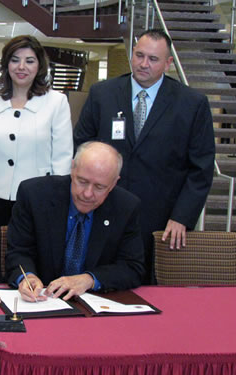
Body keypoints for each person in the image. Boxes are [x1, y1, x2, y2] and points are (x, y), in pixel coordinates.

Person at [73, 29, 215, 284]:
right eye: (139, 55)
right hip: (105, 205)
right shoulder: (103, 93)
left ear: (168, 63)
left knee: (149, 285)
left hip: (160, 217)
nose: (143, 64)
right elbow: (82, 143)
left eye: (153, 59)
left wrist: (183, 216)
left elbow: (201, 168)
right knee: (100, 280)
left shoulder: (192, 104)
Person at [0, 35, 73, 283]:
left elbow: (63, 157)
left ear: (39, 66)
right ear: (6, 64)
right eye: (15, 60)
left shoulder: (56, 102)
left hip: (40, 201)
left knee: (37, 265)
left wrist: (59, 205)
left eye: (29, 60)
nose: (21, 67)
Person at [6, 142, 145, 301]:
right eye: (82, 181)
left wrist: (90, 279)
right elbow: (18, 252)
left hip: (94, 304)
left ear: (114, 183)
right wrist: (27, 277)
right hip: (43, 300)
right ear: (72, 169)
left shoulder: (126, 207)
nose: (87, 193)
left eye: (99, 187)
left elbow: (132, 267)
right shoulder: (34, 195)